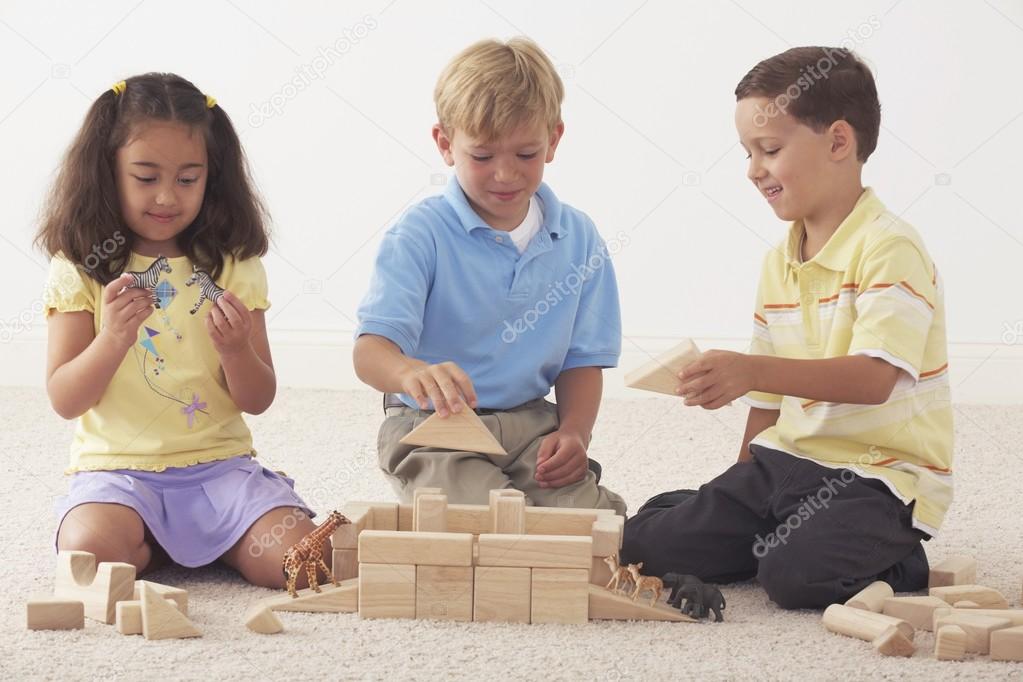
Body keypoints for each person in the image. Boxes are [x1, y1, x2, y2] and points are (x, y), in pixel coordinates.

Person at [621, 47, 953, 608]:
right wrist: (735, 486)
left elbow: (873, 378)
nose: (753, 169)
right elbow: (769, 399)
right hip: (784, 464)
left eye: (769, 150)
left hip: (875, 479)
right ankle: (758, 527)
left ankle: (900, 558)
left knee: (794, 578)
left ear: (838, 142)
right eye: (748, 153)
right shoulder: (780, 261)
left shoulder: (890, 247)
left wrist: (747, 369)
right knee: (641, 543)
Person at [38, 73, 317, 588]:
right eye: (146, 177)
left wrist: (236, 351)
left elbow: (257, 398)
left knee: (306, 562)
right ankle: (149, 541)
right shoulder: (81, 267)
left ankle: (208, 541)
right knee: (86, 557)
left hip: (219, 472)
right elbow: (65, 398)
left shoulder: (234, 266)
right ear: (108, 172)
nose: (167, 196)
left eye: (188, 179)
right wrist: (113, 339)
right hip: (117, 477)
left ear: (213, 176)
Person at [354, 38, 626, 514]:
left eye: (525, 154)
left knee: (601, 525)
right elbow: (369, 351)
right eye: (482, 157)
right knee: (493, 521)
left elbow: (582, 361)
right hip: (431, 426)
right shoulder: (420, 233)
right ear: (445, 144)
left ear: (554, 141)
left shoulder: (578, 237)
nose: (504, 174)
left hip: (529, 424)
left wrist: (574, 433)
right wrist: (410, 371)